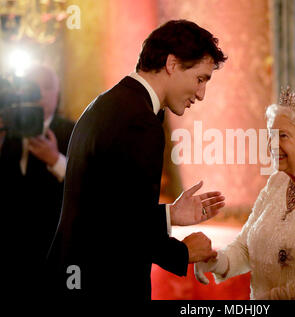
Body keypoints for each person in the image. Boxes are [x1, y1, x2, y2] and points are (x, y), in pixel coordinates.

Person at [46, 20, 227, 302]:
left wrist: (171, 215)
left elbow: (111, 211)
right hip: (103, 286)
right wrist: (182, 253)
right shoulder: (138, 120)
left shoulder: (112, 103)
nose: (201, 94)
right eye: (200, 79)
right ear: (172, 64)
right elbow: (124, 230)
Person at [194, 88, 295, 299]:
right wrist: (216, 261)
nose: (272, 145)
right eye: (270, 136)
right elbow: (245, 248)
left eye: (282, 136)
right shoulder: (277, 181)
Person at [0, 65, 74, 297]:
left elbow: (91, 187)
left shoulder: (74, 131)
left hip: (53, 247)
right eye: (32, 87)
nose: (40, 94)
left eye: (46, 87)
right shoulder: (6, 127)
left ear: (57, 92)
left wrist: (55, 159)